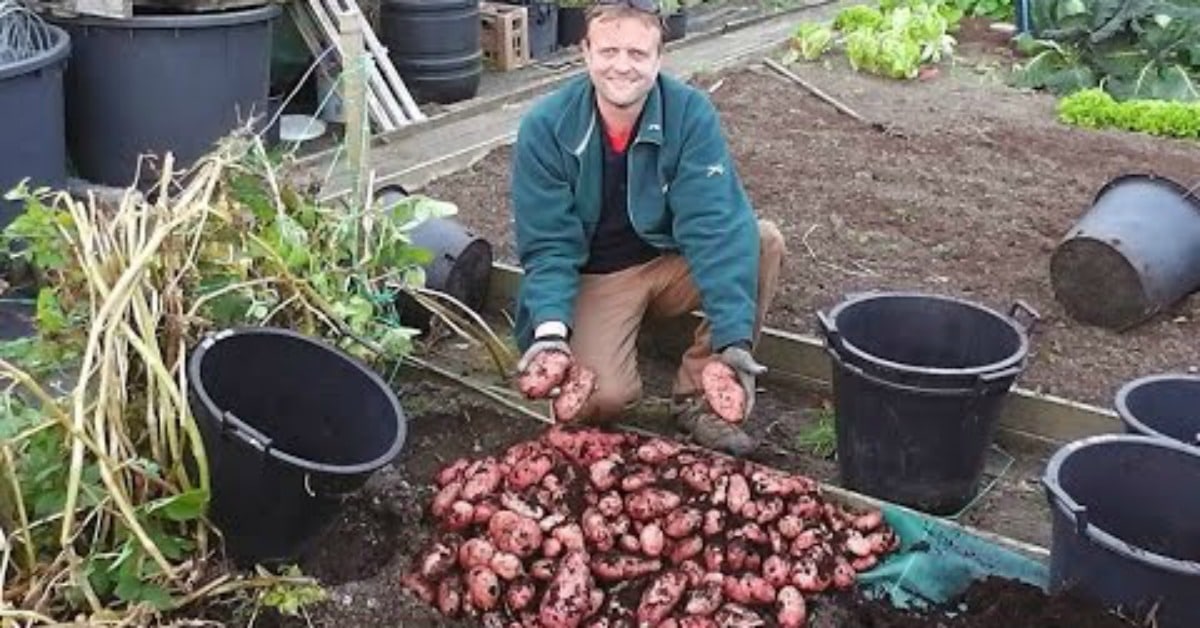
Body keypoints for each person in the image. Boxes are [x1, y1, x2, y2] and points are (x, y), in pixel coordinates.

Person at [508, 0, 785, 455]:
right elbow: (549, 246)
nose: (622, 66)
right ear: (585, 52)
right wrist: (551, 334)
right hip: (597, 276)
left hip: (670, 261)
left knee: (760, 240)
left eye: (638, 54)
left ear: (659, 57)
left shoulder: (690, 115)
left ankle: (698, 397)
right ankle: (615, 336)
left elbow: (713, 224)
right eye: (609, 51)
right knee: (600, 400)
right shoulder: (546, 127)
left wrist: (734, 337)